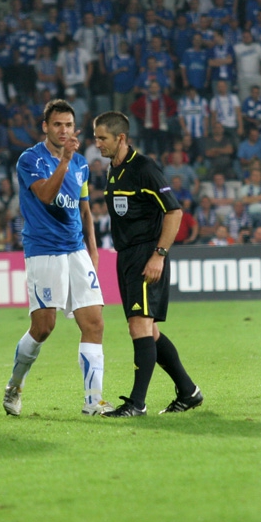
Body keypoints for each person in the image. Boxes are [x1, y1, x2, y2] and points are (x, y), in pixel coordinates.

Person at [3, 99, 112, 417]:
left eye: (68, 125)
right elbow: (46, 195)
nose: (63, 130)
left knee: (94, 323)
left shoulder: (80, 164)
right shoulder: (30, 159)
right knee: (44, 327)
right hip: (43, 251)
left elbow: (84, 209)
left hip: (76, 250)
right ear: (45, 127)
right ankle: (14, 385)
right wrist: (63, 161)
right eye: (57, 125)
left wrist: (92, 251)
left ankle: (93, 401)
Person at [93, 111, 203, 417]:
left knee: (138, 325)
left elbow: (174, 212)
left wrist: (159, 254)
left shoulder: (144, 168)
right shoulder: (113, 170)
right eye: (96, 137)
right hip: (126, 256)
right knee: (148, 331)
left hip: (146, 255)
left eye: (103, 138)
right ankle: (189, 391)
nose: (97, 144)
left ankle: (137, 404)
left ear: (121, 138)